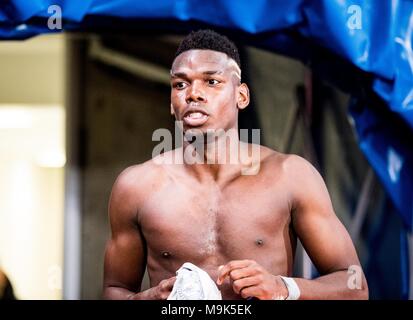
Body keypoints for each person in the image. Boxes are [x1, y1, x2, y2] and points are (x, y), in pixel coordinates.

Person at [103, 29, 368, 300]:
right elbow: (114, 291)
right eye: (180, 84)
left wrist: (283, 287)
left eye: (211, 81)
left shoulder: (290, 176)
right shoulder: (136, 186)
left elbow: (355, 284)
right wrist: (145, 298)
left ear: (241, 96)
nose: (193, 93)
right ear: (172, 103)